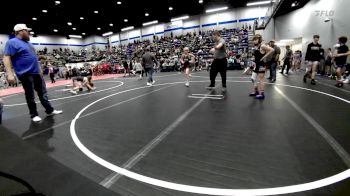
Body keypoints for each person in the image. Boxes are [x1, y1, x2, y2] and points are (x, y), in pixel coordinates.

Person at [3, 24, 62, 122]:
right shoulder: (11, 42)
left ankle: (49, 110)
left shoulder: (29, 43)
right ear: (20, 31)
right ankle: (34, 114)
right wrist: (9, 74)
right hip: (25, 73)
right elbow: (6, 57)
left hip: (36, 73)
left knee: (43, 93)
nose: (29, 33)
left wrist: (39, 69)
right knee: (30, 95)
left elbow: (33, 57)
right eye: (27, 30)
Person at [250, 34, 274, 100]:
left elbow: (272, 50)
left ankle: (262, 94)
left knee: (261, 79)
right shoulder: (255, 47)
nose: (254, 41)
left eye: (256, 40)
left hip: (261, 64)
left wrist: (264, 57)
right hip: (256, 64)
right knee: (253, 78)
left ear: (259, 40)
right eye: (253, 40)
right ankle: (256, 91)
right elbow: (256, 56)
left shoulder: (262, 46)